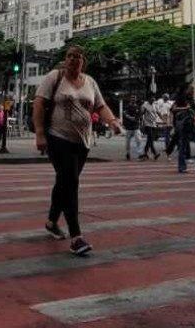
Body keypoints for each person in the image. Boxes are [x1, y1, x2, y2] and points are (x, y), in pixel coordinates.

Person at [33, 45, 121, 257]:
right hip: (57, 137)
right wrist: (39, 133)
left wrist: (112, 121)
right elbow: (39, 103)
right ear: (65, 59)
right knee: (70, 183)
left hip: (82, 142)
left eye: (78, 57)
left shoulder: (90, 82)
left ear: (83, 62)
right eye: (69, 56)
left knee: (64, 183)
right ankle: (76, 238)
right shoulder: (55, 76)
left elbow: (100, 105)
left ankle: (51, 222)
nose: (73, 60)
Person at [171, 84, 195, 174]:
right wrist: (185, 108)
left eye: (193, 90)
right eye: (191, 89)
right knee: (183, 145)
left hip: (192, 123)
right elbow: (173, 109)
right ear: (187, 90)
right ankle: (182, 167)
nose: (193, 91)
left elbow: (194, 114)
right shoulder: (181, 98)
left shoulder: (192, 100)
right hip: (184, 124)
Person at [139, 95, 161, 160]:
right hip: (147, 124)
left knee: (150, 140)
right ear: (148, 99)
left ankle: (145, 153)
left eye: (153, 99)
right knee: (150, 139)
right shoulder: (144, 105)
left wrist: (163, 119)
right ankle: (155, 153)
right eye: (152, 98)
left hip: (154, 124)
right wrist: (141, 123)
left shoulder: (155, 105)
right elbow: (141, 113)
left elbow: (158, 112)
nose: (153, 100)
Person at [121, 96, 142, 160]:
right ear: (130, 99)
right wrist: (130, 117)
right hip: (128, 127)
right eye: (132, 98)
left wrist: (138, 120)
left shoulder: (138, 107)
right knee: (127, 142)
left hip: (136, 126)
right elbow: (124, 113)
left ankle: (139, 154)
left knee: (139, 140)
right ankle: (128, 153)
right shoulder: (127, 106)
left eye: (134, 98)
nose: (133, 99)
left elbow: (140, 115)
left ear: (136, 99)